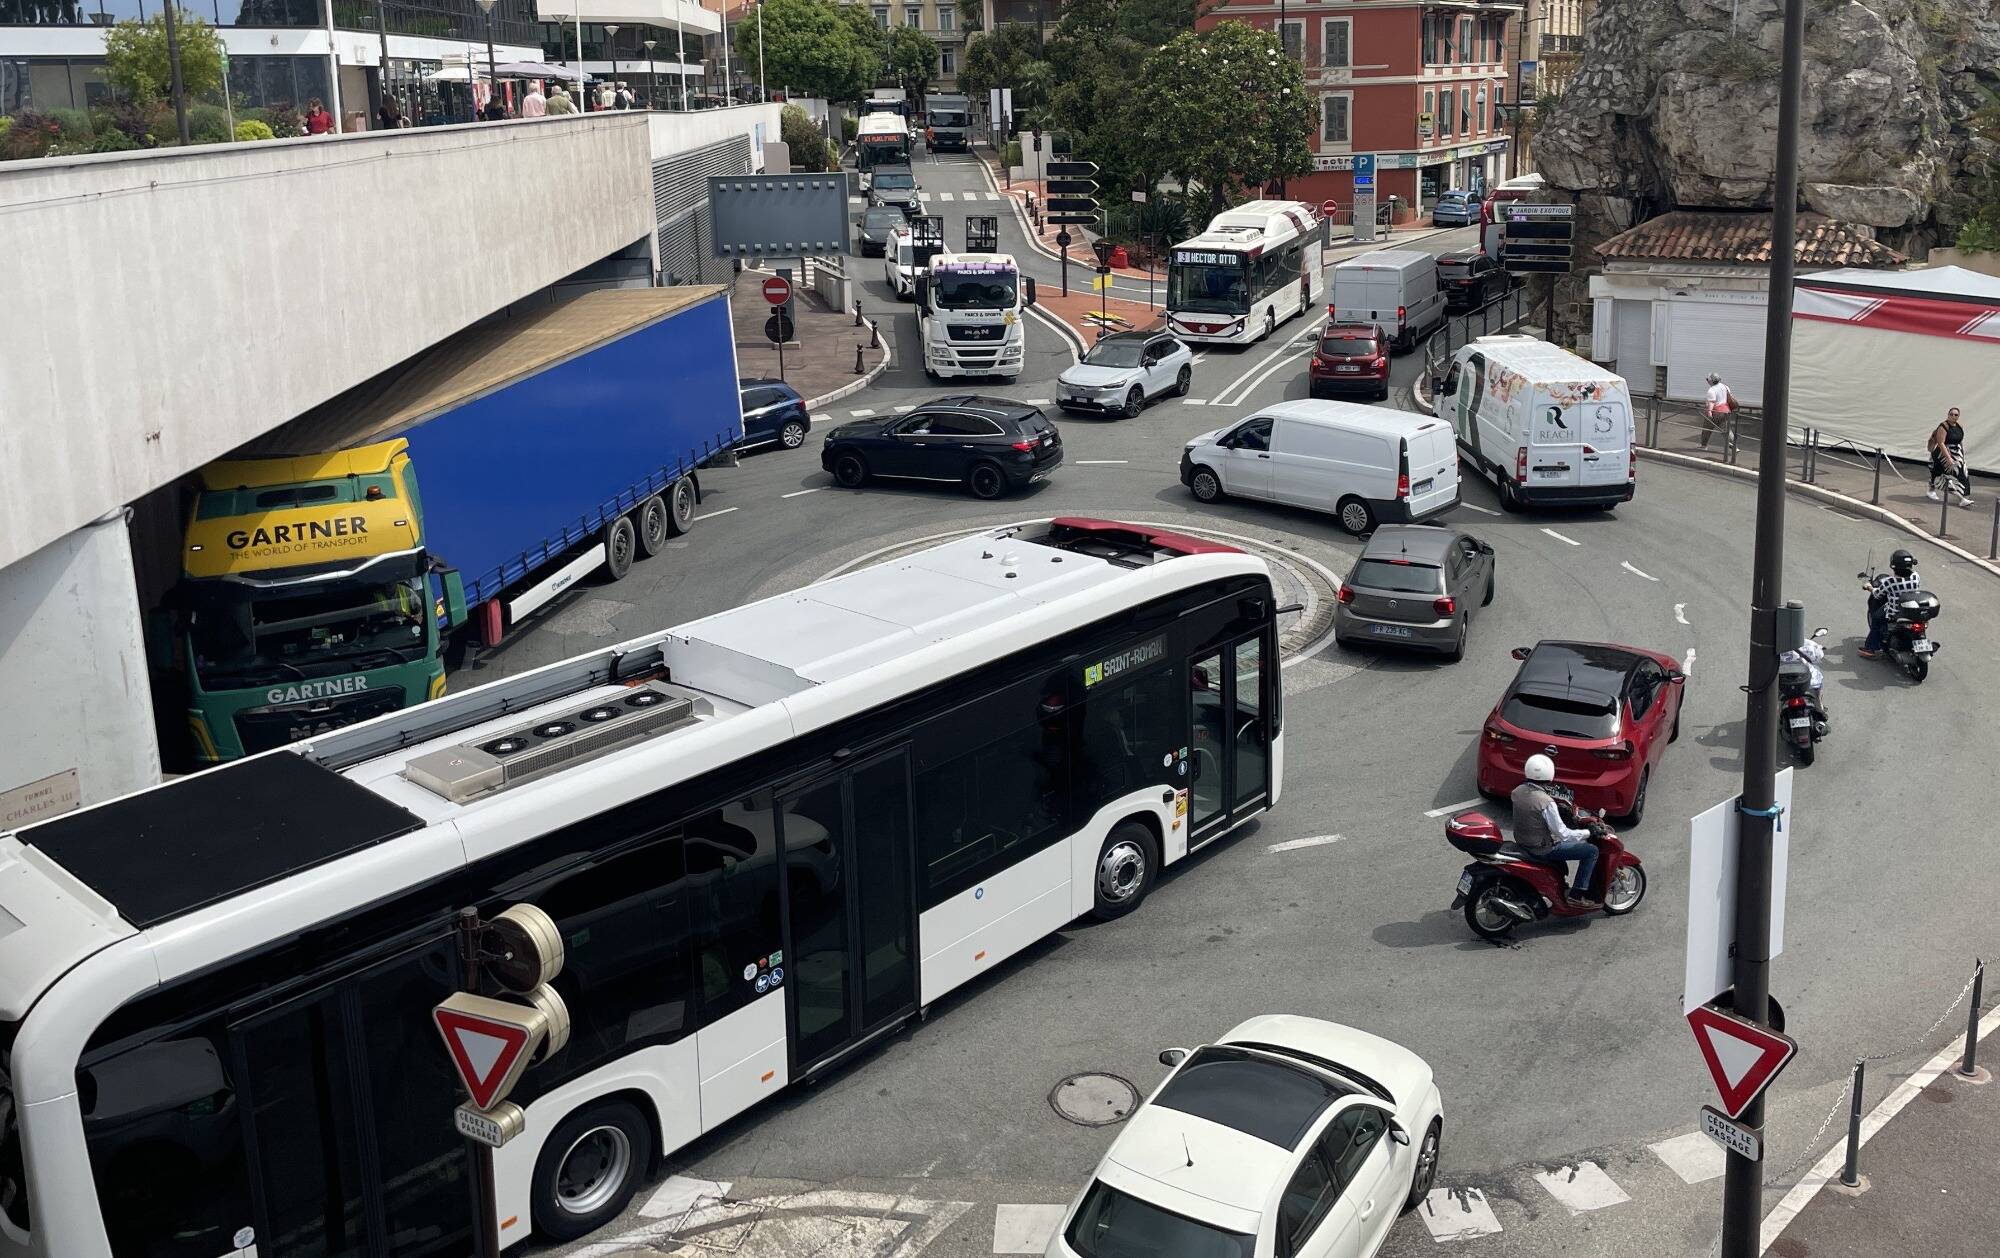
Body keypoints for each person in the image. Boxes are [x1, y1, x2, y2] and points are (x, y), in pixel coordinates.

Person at [1510, 754, 1601, 907]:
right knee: (1591, 851)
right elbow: (1564, 834)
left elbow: (1533, 812)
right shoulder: (1546, 802)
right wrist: (1589, 833)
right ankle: (1577, 895)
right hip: (1541, 849)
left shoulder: (1518, 791)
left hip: (1523, 843)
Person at [1861, 548, 1922, 658]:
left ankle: (1870, 649)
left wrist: (1869, 587)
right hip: (1911, 610)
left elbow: (1878, 594)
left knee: (1876, 618)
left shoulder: (1891, 582)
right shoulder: (1915, 577)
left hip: (1894, 612)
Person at [1927, 406, 1972, 507]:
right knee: (1944, 476)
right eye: (1951, 414)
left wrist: (1962, 455)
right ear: (1948, 415)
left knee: (1963, 472)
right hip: (1943, 454)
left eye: (1956, 415)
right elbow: (1941, 443)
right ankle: (1962, 498)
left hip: (1957, 453)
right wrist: (1948, 458)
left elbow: (1960, 442)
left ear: (1958, 416)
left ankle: (1965, 497)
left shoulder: (1959, 426)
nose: (1953, 416)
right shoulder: (1943, 426)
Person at [1700, 372, 1737, 449]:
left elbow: (1712, 402)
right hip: (1726, 411)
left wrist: (1709, 412)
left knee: (1706, 429)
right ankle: (1734, 447)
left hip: (1716, 412)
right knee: (1727, 430)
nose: (1707, 381)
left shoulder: (1712, 390)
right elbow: (1730, 397)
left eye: (1707, 380)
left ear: (1711, 381)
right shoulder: (1725, 387)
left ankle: (1703, 446)